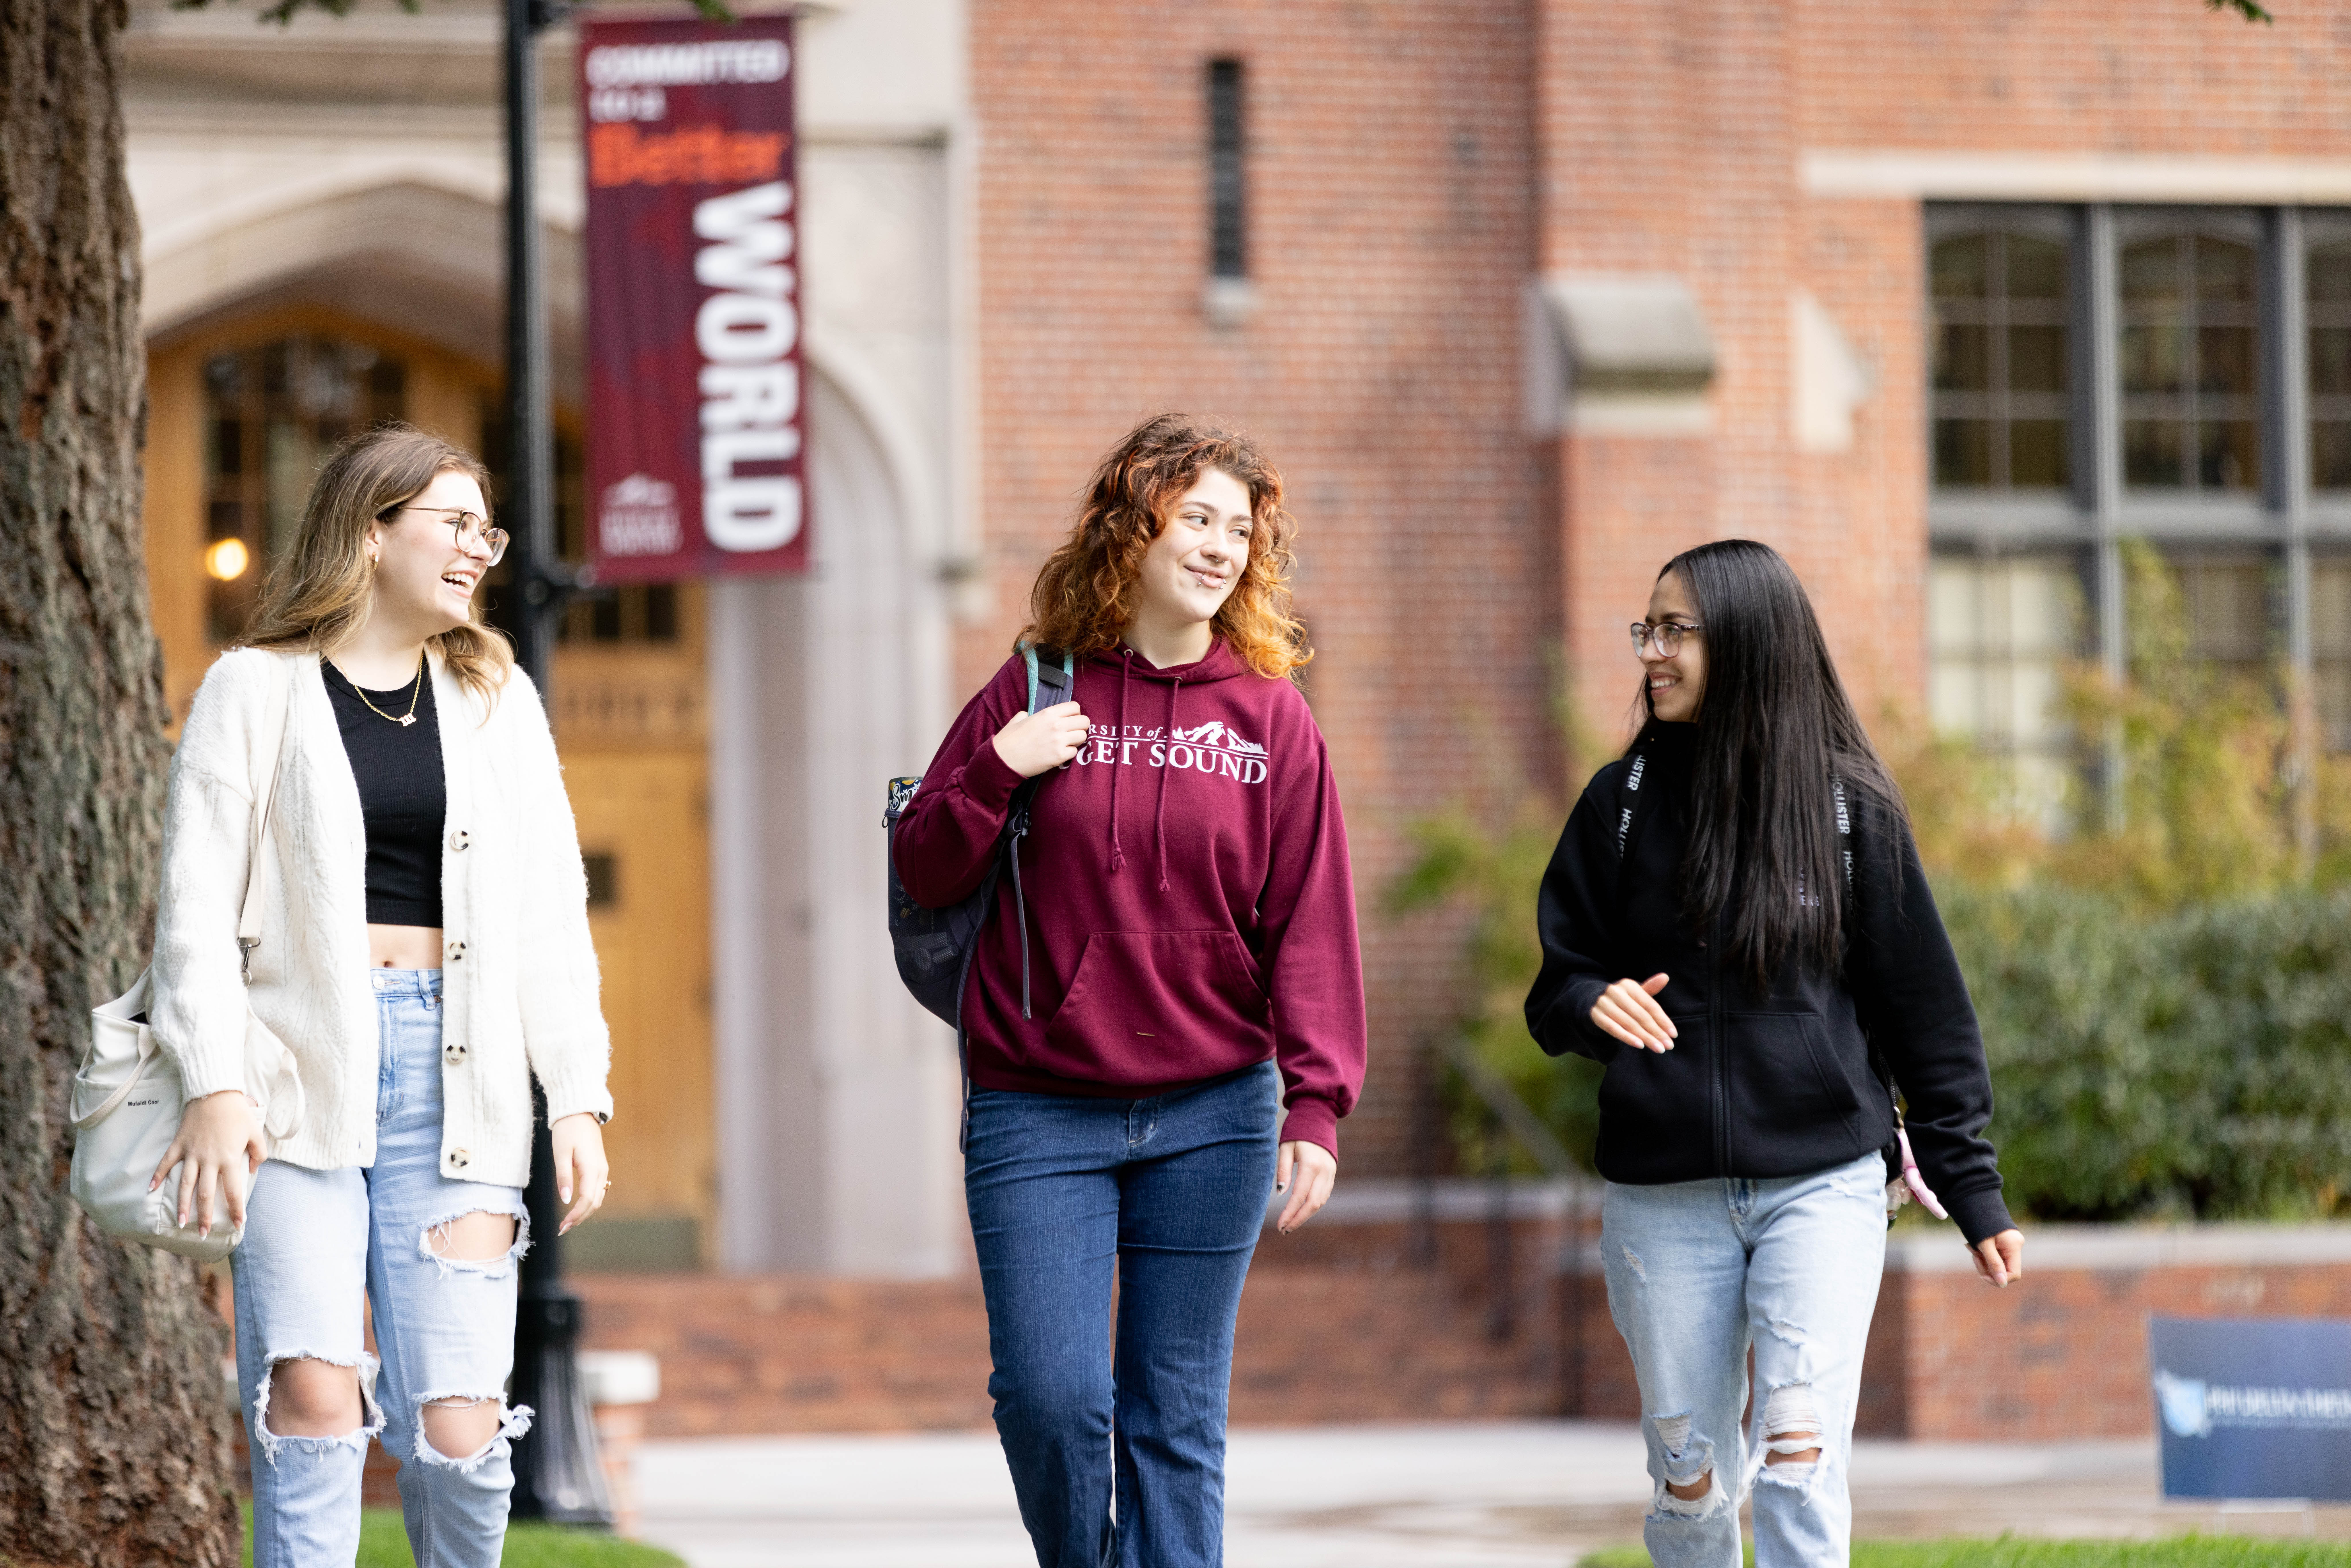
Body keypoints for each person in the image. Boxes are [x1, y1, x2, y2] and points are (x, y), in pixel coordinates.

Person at [893, 413, 1366, 1568]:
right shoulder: (1036, 686)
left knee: (1175, 1415)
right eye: (1194, 517)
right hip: (1036, 1105)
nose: (1217, 547)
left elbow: (1308, 917)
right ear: (1133, 526)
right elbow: (923, 866)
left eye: (1238, 531)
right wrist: (996, 773)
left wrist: (1315, 1102)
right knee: (1053, 1398)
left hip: (1214, 1109)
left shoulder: (1268, 718)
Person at [148, 423, 615, 1567]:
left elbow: (551, 914)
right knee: (310, 1403)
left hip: (463, 1095)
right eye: (455, 525)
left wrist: (580, 1093)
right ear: (371, 531)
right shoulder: (253, 690)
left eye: (486, 530)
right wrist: (212, 1082)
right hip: (294, 1084)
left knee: (457, 1434)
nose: (478, 551)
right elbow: (195, 910)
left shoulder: (495, 696)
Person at [1525, 539, 2024, 1568]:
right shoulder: (1616, 808)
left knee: (1798, 1457)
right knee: (1690, 1481)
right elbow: (1554, 987)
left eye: (1675, 631)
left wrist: (1972, 1186)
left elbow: (1924, 1010)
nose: (1651, 653)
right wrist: (1590, 1002)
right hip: (1662, 1198)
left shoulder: (1848, 813)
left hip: (1823, 1186)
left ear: (1746, 642)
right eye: (1646, 630)